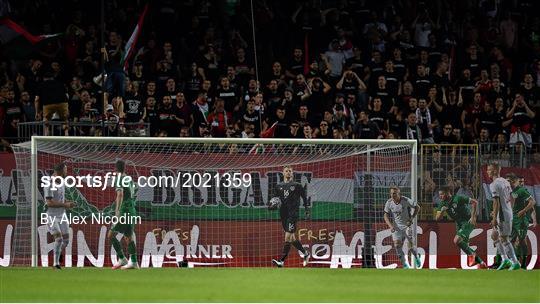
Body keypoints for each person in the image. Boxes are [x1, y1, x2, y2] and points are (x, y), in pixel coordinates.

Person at [269, 165, 311, 268]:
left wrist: (306, 210)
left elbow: (304, 198)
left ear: (292, 173)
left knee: (287, 237)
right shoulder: (278, 186)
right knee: (292, 238)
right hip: (283, 214)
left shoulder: (297, 185)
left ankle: (281, 261)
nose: (288, 172)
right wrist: (271, 206)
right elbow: (274, 200)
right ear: (283, 173)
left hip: (293, 214)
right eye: (286, 171)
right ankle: (305, 253)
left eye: (290, 171)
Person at [435, 187, 487, 268]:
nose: (440, 196)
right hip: (458, 223)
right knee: (463, 244)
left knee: (457, 240)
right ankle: (481, 263)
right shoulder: (442, 203)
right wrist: (442, 211)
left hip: (467, 221)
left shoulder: (458, 198)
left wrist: (473, 217)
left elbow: (474, 202)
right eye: (439, 195)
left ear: (448, 192)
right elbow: (437, 218)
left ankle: (473, 255)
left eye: (442, 194)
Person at [487, 162, 520, 270]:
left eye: (489, 169)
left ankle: (515, 262)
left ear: (495, 170)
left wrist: (494, 217)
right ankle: (505, 259)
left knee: (504, 239)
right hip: (506, 212)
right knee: (494, 236)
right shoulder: (505, 181)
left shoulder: (494, 184)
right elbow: (512, 197)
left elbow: (496, 202)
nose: (487, 171)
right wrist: (509, 208)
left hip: (502, 215)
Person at [44, 162, 75, 269]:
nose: (67, 171)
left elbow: (60, 198)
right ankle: (55, 264)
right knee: (59, 239)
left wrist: (67, 202)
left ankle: (58, 252)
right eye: (65, 169)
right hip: (52, 216)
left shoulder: (61, 182)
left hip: (62, 215)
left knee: (66, 241)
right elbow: (49, 202)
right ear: (61, 170)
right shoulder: (50, 183)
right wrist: (64, 204)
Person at [109, 160, 139, 270]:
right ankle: (134, 262)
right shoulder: (129, 178)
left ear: (115, 169)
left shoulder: (119, 178)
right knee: (128, 236)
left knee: (110, 235)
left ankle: (122, 258)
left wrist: (117, 211)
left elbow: (120, 194)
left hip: (124, 210)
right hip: (132, 209)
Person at [383, 186, 421, 269]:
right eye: (391, 193)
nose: (392, 195)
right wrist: (390, 226)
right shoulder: (389, 202)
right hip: (396, 228)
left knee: (410, 247)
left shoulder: (405, 200)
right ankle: (404, 264)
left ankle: (417, 256)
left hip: (407, 226)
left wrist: (411, 218)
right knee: (397, 245)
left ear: (399, 194)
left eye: (394, 193)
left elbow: (417, 207)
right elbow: (385, 215)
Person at [507, 174, 536, 269]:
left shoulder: (522, 190)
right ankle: (515, 262)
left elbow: (532, 202)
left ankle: (523, 263)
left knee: (522, 241)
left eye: (509, 181)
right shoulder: (511, 191)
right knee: (510, 241)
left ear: (513, 181)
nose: (507, 183)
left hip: (521, 220)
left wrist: (523, 211)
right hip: (513, 219)